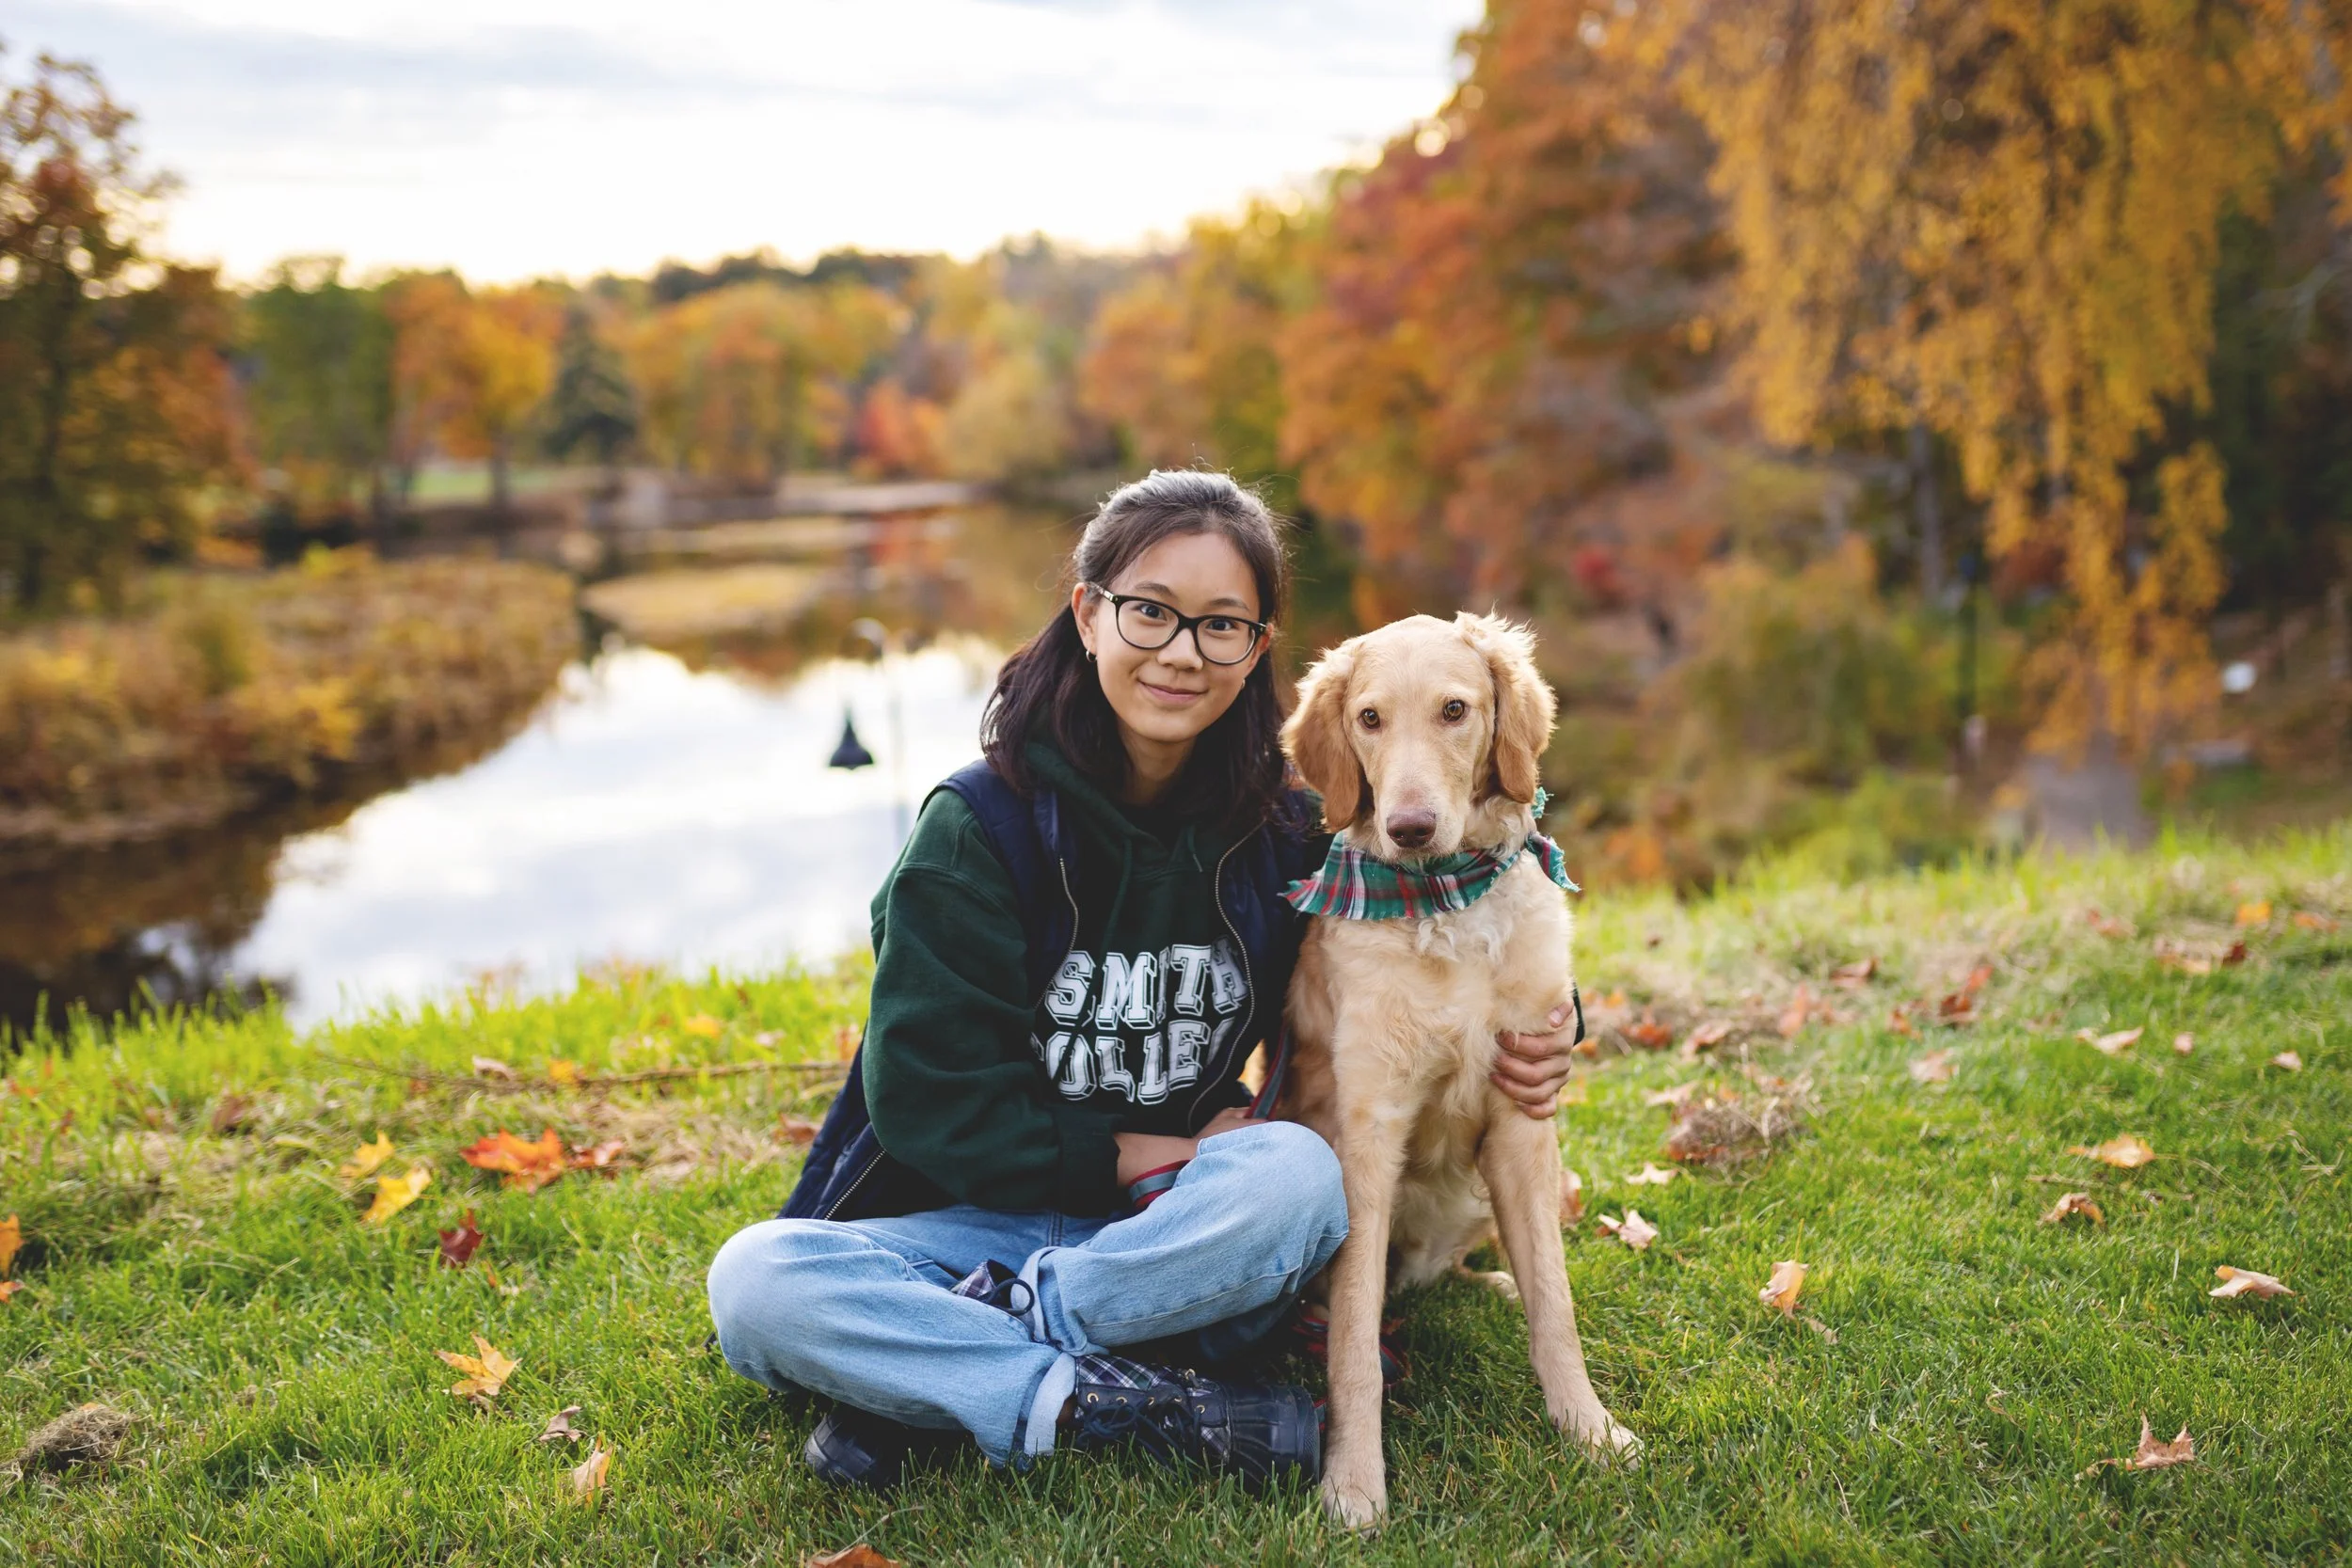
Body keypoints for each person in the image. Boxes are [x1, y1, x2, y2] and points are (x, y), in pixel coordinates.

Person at [706, 470, 1583, 1492]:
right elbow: (927, 1104)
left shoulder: (1282, 830)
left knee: (1298, 1177)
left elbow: (1458, 898)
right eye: (1150, 611)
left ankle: (947, 1363)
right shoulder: (974, 832)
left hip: (1181, 1225)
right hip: (974, 1217)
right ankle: (1119, 1399)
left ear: (1254, 650)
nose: (1180, 651)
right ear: (1088, 613)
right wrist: (1145, 1148)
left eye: (1220, 625)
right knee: (757, 1281)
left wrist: (1557, 1016)